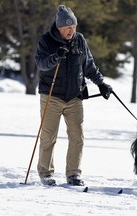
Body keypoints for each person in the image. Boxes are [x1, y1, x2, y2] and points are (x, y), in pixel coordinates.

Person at [35, 5, 112, 186]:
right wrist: (55, 56)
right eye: (68, 27)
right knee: (48, 136)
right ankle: (46, 173)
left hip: (74, 97)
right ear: (59, 27)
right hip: (52, 96)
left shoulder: (79, 40)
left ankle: (73, 173)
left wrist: (101, 84)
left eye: (74, 27)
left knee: (77, 137)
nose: (71, 31)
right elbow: (41, 64)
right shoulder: (46, 40)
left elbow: (89, 65)